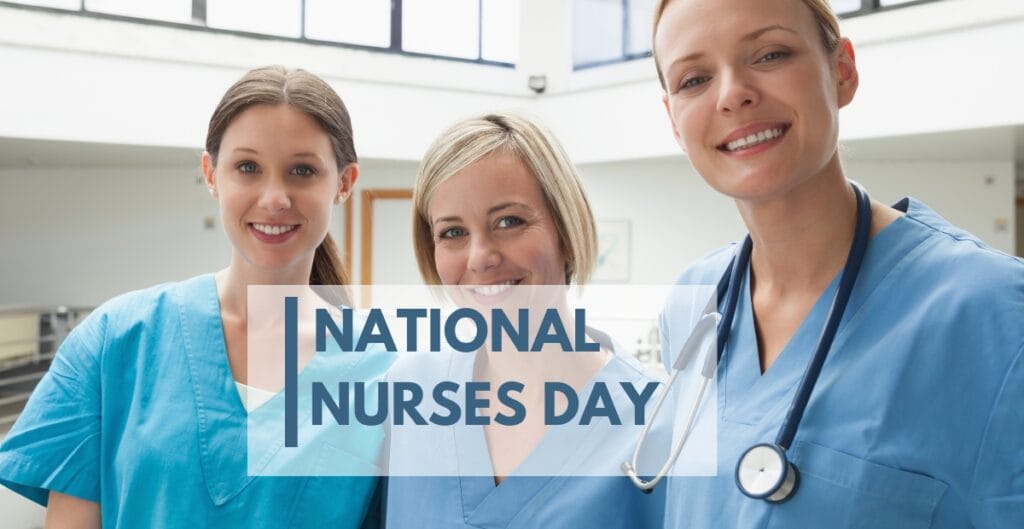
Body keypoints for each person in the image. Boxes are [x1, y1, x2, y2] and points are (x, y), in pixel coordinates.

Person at [650, 0, 1024, 527]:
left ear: (842, 71)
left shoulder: (992, 314)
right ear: (672, 120)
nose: (733, 94)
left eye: (771, 53)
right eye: (693, 80)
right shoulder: (694, 300)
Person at [0, 66, 390, 528]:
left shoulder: (384, 372)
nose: (274, 198)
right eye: (248, 167)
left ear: (344, 183)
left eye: (302, 171)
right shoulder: (114, 342)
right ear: (211, 173)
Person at [383, 113, 666, 528]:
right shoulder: (411, 392)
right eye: (452, 233)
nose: (480, 256)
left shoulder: (654, 425)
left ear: (565, 232)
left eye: (509, 222)